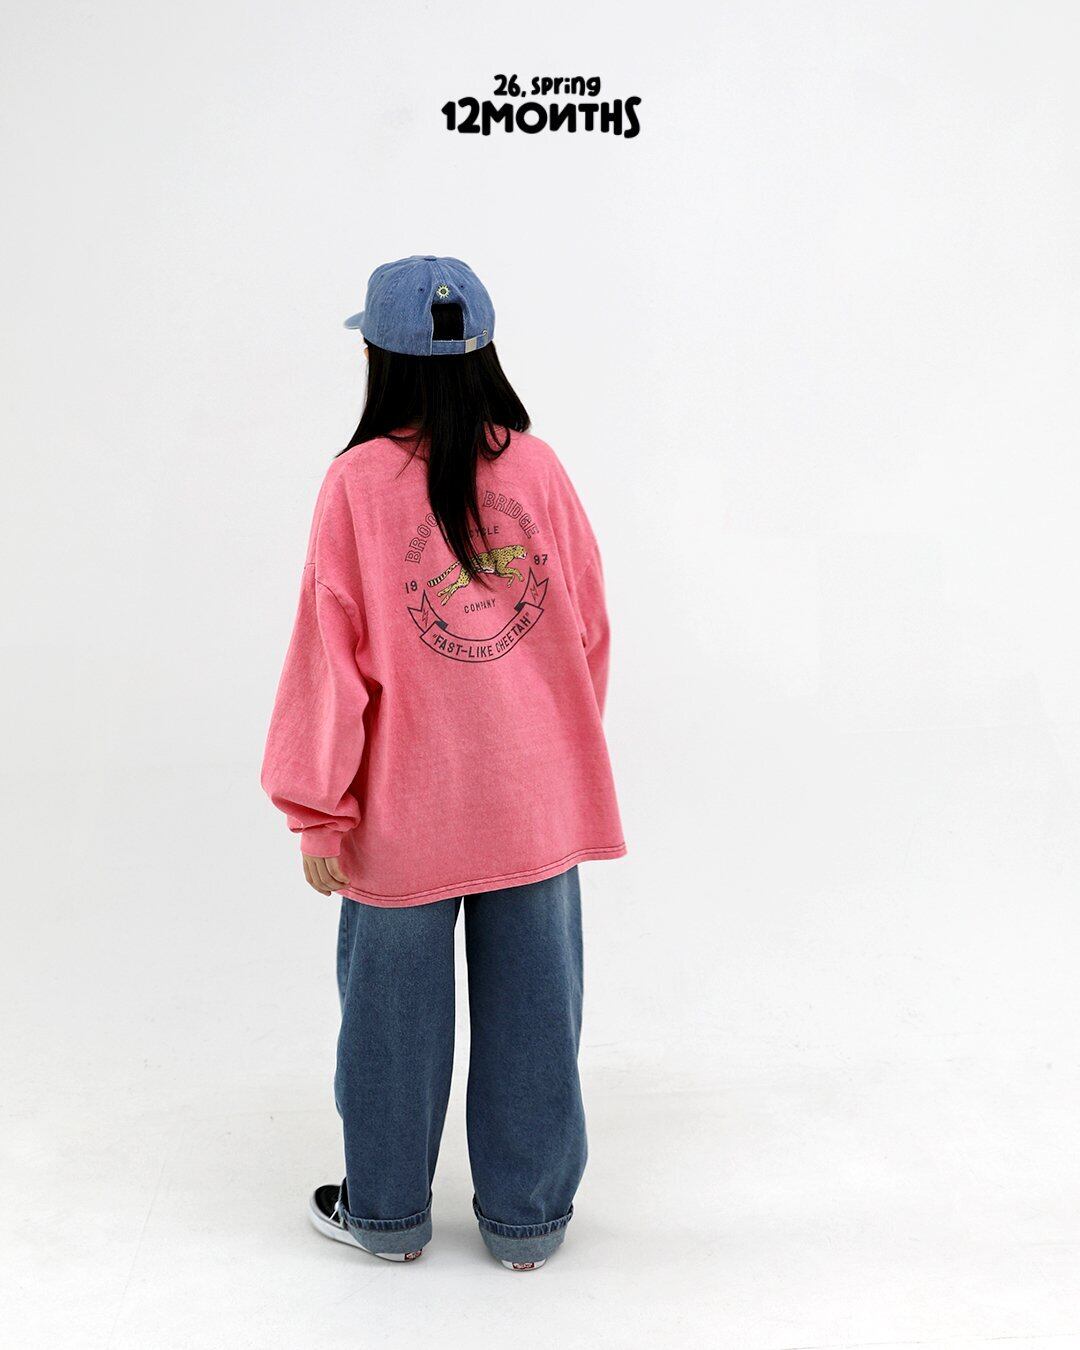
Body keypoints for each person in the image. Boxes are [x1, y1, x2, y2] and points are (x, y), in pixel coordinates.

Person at [260, 255, 626, 1271]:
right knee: (537, 1014)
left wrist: (318, 808)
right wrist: (554, 749)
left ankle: (386, 1218)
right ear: (484, 353)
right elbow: (589, 629)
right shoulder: (539, 469)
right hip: (534, 800)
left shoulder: (357, 485)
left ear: (379, 361)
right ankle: (526, 1225)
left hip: (402, 810)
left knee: (391, 1022)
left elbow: (329, 659)